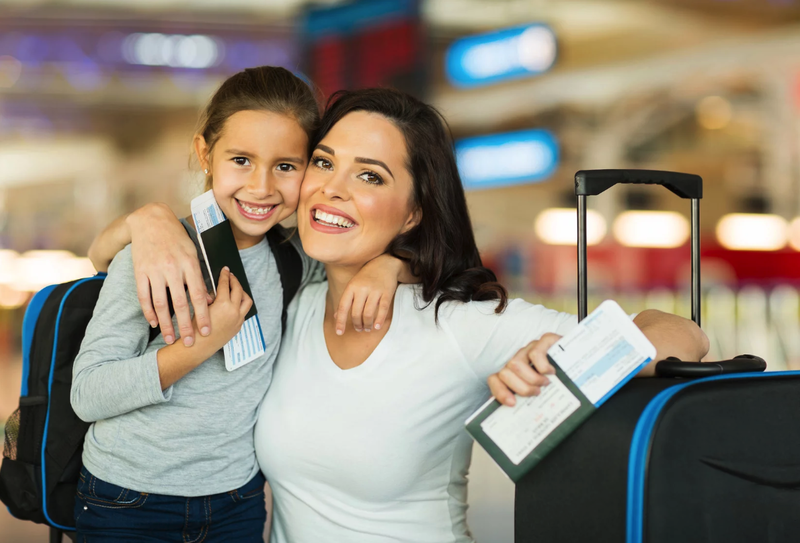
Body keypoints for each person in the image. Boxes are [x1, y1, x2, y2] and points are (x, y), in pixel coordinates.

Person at [90, 88, 709, 542]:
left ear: (413, 213)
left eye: (371, 176)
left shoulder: (458, 323)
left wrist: (558, 360)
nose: (331, 189)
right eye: (325, 163)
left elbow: (682, 333)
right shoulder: (293, 298)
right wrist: (147, 221)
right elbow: (100, 275)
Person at [71, 67, 409, 542]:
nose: (262, 186)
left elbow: (420, 256)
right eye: (242, 161)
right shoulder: (159, 256)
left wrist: (388, 266)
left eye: (286, 166)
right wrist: (201, 343)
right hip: (127, 500)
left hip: (237, 502)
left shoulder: (295, 259)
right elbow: (88, 394)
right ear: (205, 154)